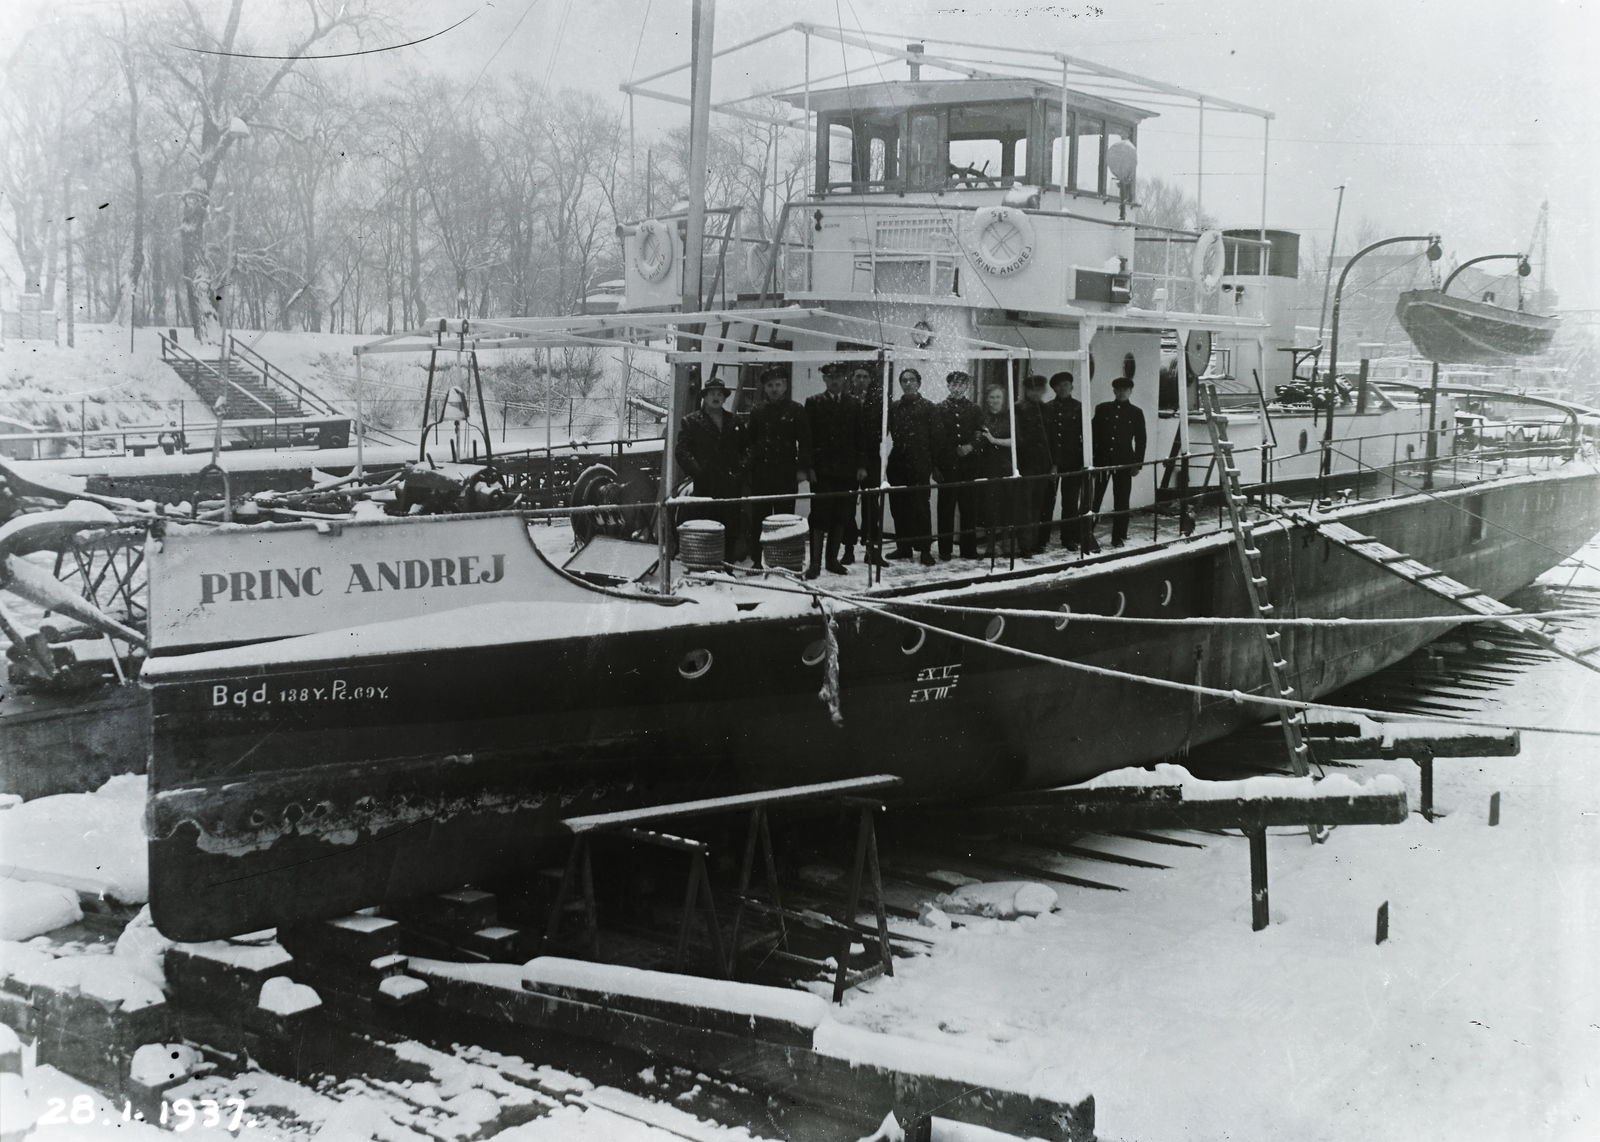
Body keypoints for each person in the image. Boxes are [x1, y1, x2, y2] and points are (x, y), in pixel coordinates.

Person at [674, 376, 748, 559]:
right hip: (705, 486)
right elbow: (682, 451)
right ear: (705, 397)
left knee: (730, 529)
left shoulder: (735, 422)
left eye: (720, 394)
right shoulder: (691, 422)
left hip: (730, 486)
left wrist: (740, 471)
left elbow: (747, 450)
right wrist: (698, 473)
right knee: (707, 530)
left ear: (725, 398)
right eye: (712, 393)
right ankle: (708, 568)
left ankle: (728, 568)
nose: (716, 397)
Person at [747, 365, 813, 566]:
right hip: (762, 474)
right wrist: (750, 469)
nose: (774, 389)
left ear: (785, 386)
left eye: (777, 384)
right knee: (760, 519)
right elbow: (750, 442)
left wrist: (802, 469)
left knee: (785, 519)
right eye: (770, 385)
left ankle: (784, 562)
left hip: (786, 474)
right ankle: (758, 561)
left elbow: (805, 441)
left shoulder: (795, 409)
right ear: (765, 388)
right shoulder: (757, 411)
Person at [805, 362, 865, 577]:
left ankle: (832, 561)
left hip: (847, 471)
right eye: (830, 377)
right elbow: (807, 438)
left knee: (841, 515)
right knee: (819, 517)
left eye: (838, 377)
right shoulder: (813, 402)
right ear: (824, 379)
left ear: (844, 379)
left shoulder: (854, 403)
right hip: (821, 472)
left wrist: (861, 466)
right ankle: (814, 564)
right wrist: (809, 467)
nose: (834, 381)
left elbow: (860, 436)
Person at [886, 368, 943, 566]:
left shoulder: (929, 407)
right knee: (899, 507)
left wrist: (933, 465)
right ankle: (903, 547)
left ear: (919, 383)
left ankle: (925, 550)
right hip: (898, 463)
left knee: (920, 508)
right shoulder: (894, 407)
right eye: (904, 380)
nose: (908, 383)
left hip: (920, 464)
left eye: (911, 380)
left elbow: (937, 438)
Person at [1092, 367, 1148, 548]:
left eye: (1126, 389)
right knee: (1095, 498)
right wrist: (1091, 460)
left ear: (1130, 391)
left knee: (1122, 500)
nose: (1122, 392)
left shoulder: (1136, 412)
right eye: (1119, 390)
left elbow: (1141, 439)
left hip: (1124, 462)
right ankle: (1086, 532)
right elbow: (1093, 435)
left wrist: (1137, 464)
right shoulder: (1103, 409)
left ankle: (1118, 536)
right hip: (1102, 461)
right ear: (1114, 391)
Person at [1043, 371, 1096, 553]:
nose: (1062, 388)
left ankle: (1068, 538)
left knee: (1071, 502)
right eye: (1059, 385)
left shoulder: (1079, 408)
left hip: (1073, 461)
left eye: (1066, 384)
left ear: (1072, 387)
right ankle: (1042, 539)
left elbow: (1086, 435)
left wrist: (1085, 460)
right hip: (1051, 462)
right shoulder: (1047, 408)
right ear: (1054, 389)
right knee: (1047, 501)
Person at [935, 370, 982, 560]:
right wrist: (936, 466)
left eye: (962, 384)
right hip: (948, 467)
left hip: (969, 466)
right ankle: (945, 550)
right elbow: (935, 439)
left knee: (968, 508)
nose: (957, 388)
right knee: (946, 509)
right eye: (954, 384)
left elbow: (980, 431)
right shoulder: (939, 409)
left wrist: (971, 446)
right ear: (948, 386)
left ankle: (968, 550)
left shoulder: (974, 409)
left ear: (967, 387)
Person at [975, 382, 1021, 557]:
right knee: (989, 506)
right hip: (987, 467)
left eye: (998, 397)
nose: (994, 401)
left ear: (1004, 399)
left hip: (1005, 465)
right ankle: (990, 545)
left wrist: (994, 440)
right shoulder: (982, 418)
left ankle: (1006, 542)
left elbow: (1017, 441)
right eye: (992, 397)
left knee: (1007, 505)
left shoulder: (1011, 418)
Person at [848, 364, 888, 567]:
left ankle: (871, 550)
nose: (861, 380)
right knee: (847, 506)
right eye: (858, 376)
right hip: (849, 459)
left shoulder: (879, 402)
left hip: (872, 458)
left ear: (871, 380)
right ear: (852, 378)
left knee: (871, 507)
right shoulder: (845, 400)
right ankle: (848, 550)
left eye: (865, 376)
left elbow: (884, 429)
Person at [1016, 374, 1054, 555]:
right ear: (1026, 390)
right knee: (1025, 505)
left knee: (1038, 504)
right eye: (1033, 390)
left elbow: (1053, 438)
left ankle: (1035, 542)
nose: (1036, 393)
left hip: (1043, 464)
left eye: (1039, 390)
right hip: (1025, 465)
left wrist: (1053, 464)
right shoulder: (1018, 409)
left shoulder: (1047, 409)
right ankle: (1025, 544)